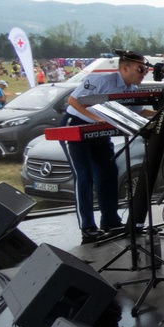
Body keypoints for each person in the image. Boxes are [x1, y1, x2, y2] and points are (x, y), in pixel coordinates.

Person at [63, 50, 149, 244]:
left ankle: (110, 221)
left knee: (109, 172)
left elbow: (139, 111)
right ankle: (87, 226)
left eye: (146, 69)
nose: (144, 73)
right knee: (84, 176)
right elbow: (74, 100)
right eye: (141, 69)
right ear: (125, 68)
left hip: (100, 131)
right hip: (76, 124)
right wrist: (97, 119)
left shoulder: (130, 88)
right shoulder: (102, 80)